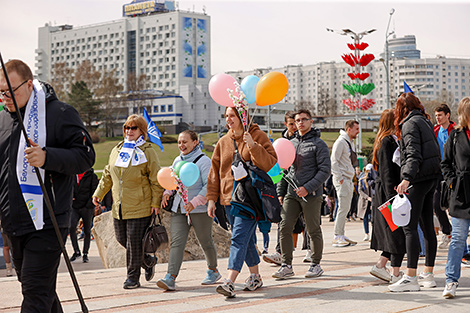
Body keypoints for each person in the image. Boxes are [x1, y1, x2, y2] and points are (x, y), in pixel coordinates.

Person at [0, 59, 95, 312]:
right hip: (14, 222)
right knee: (38, 289)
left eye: (10, 91)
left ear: (29, 84)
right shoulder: (3, 120)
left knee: (34, 291)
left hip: (48, 220)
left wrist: (47, 157)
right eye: (1, 92)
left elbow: (86, 156)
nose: (5, 97)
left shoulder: (59, 113)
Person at [207, 106, 277, 298]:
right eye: (226, 116)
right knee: (247, 240)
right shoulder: (222, 142)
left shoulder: (257, 135)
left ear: (242, 117)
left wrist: (253, 146)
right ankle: (255, 276)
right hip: (228, 199)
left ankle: (229, 281)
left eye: (232, 116)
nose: (229, 119)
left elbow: (272, 164)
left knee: (238, 238)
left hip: (250, 198)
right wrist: (212, 199)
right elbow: (214, 173)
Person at [93, 114, 163, 289]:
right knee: (122, 239)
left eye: (133, 128)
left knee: (133, 242)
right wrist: (99, 193)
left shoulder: (148, 151)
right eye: (126, 127)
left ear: (142, 131)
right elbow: (108, 175)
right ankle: (147, 260)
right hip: (120, 206)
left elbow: (156, 180)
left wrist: (156, 203)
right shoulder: (117, 149)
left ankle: (132, 277)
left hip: (141, 205)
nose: (129, 131)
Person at [389, 92, 441, 292]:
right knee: (427, 226)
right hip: (431, 177)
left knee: (409, 227)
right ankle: (428, 273)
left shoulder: (409, 124)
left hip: (418, 179)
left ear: (401, 109)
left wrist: (406, 178)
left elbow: (413, 154)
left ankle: (410, 276)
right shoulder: (425, 121)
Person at [156, 130, 220, 291]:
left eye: (185, 142)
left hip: (199, 209)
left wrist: (194, 202)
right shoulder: (178, 160)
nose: (181, 145)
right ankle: (170, 277)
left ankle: (213, 270)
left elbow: (209, 185)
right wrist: (167, 193)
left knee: (205, 241)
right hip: (179, 208)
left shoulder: (204, 161)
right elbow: (173, 180)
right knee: (177, 243)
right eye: (179, 142)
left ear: (195, 142)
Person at [273, 109, 331, 279]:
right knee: (284, 227)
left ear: (311, 122)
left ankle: (315, 264)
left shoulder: (318, 144)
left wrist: (308, 187)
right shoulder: (290, 143)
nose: (300, 123)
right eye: (297, 120)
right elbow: (285, 169)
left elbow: (325, 170)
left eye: (304, 120)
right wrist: (280, 191)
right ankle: (286, 265)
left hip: (311, 194)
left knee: (313, 229)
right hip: (291, 193)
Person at [369, 109, 406, 284]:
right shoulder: (386, 142)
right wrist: (394, 197)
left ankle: (381, 265)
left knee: (395, 234)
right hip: (388, 194)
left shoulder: (389, 141)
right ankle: (395, 273)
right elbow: (386, 173)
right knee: (397, 234)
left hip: (388, 192)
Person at [441, 97, 470, 298]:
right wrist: (453, 183)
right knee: (458, 238)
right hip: (461, 193)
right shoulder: (455, 135)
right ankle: (451, 280)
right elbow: (445, 163)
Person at [263, 111, 297, 265]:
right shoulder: (280, 143)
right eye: (291, 123)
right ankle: (279, 252)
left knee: (310, 223)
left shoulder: (303, 139)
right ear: (286, 124)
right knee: (283, 220)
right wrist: (278, 190)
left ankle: (312, 251)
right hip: (285, 185)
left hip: (303, 186)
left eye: (296, 122)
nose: (295, 126)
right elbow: (278, 167)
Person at [331, 120, 360, 247]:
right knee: (342, 208)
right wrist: (339, 177)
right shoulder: (341, 142)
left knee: (345, 208)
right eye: (356, 129)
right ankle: (337, 236)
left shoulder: (348, 142)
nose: (358, 131)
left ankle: (341, 234)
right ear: (349, 129)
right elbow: (333, 160)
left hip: (347, 178)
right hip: (343, 179)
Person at [433, 104, 456, 249]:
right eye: (436, 116)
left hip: (453, 173)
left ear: (448, 115)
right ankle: (447, 232)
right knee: (437, 204)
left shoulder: (456, 130)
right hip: (438, 173)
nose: (438, 118)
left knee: (453, 206)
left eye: (440, 115)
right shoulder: (434, 131)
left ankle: (457, 233)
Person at [69, 168, 99, 263]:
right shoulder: (72, 175)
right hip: (75, 206)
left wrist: (89, 205)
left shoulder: (92, 176)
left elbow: (94, 190)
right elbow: (69, 187)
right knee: (71, 227)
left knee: (86, 230)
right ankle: (76, 251)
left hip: (87, 207)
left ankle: (85, 253)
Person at [357, 164, 373, 241]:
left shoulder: (374, 179)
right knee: (365, 218)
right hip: (365, 201)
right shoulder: (361, 180)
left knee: (374, 218)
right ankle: (366, 234)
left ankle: (373, 234)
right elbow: (360, 191)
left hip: (373, 200)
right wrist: (367, 197)